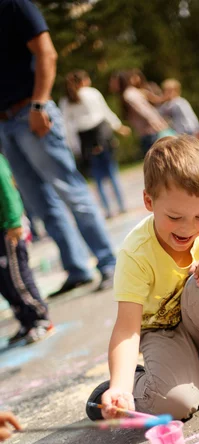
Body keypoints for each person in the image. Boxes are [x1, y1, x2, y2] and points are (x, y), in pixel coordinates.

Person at [86, 135, 199, 422]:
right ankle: (135, 384)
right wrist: (119, 386)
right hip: (164, 337)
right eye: (174, 216)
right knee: (177, 406)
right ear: (149, 201)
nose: (188, 228)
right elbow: (127, 329)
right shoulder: (136, 252)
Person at [0, 0, 116, 295]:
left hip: (32, 112)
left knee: (70, 190)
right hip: (5, 123)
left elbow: (46, 52)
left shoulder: (15, 5)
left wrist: (39, 104)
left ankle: (109, 263)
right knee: (40, 204)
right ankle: (77, 269)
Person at [61, 70, 131, 219]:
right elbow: (105, 112)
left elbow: (67, 127)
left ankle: (107, 210)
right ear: (83, 81)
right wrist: (118, 126)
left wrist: (73, 147)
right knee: (111, 171)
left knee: (97, 176)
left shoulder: (65, 101)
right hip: (101, 133)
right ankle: (121, 205)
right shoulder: (92, 93)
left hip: (85, 139)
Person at [0, 153, 54, 345]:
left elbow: (8, 193)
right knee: (5, 283)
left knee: (17, 278)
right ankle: (25, 320)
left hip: (9, 229)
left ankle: (40, 318)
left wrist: (14, 222)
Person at [109, 70, 171, 156]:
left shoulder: (129, 94)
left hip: (151, 132)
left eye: (113, 82)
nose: (111, 84)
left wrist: (158, 124)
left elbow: (145, 111)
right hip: (149, 132)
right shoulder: (131, 93)